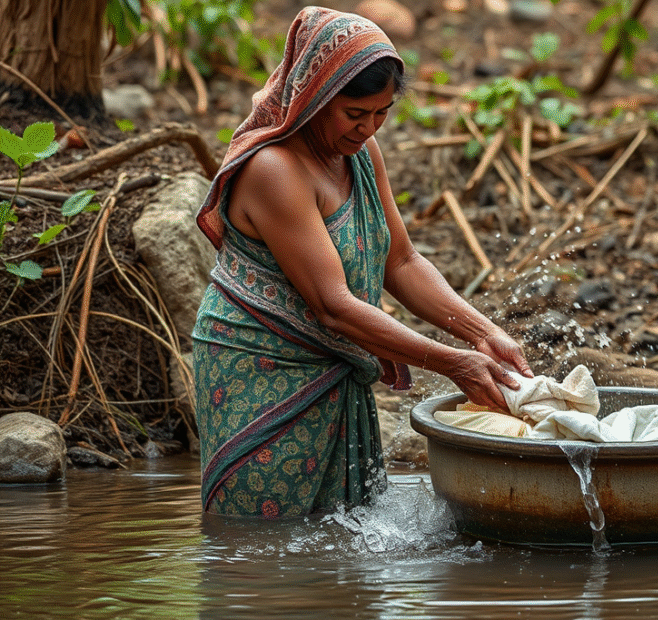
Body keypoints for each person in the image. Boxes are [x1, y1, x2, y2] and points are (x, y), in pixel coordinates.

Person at [192, 6, 533, 519]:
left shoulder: (361, 154)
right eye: (355, 114)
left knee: (344, 532)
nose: (368, 128)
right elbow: (333, 307)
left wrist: (482, 334)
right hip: (263, 372)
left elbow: (402, 261)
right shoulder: (275, 170)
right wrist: (453, 361)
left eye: (381, 114)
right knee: (261, 542)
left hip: (333, 365)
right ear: (315, 98)